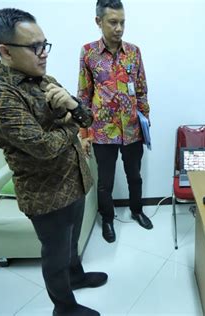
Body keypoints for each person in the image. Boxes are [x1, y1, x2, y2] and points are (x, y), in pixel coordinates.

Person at [0, 8, 107, 316]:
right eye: (35, 47)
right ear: (5, 51)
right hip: (46, 195)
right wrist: (70, 125)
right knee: (55, 254)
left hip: (75, 180)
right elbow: (43, 147)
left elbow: (88, 117)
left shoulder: (42, 78)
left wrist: (74, 105)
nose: (43, 53)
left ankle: (76, 277)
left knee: (72, 242)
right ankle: (64, 308)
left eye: (45, 44)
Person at [78, 0, 153, 243]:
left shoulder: (134, 51)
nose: (119, 28)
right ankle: (108, 219)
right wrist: (85, 133)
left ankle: (137, 210)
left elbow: (141, 90)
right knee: (105, 182)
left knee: (135, 176)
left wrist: (145, 120)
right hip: (102, 131)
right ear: (98, 22)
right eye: (113, 22)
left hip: (132, 129)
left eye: (122, 22)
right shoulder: (88, 52)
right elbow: (84, 96)